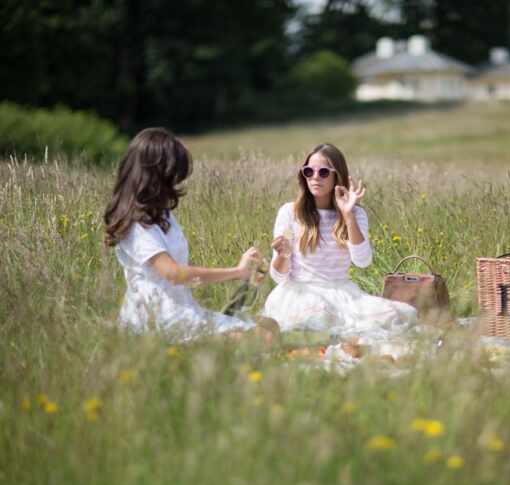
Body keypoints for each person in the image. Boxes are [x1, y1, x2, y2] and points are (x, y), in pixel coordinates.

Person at [104, 127, 277, 343]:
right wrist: (237, 272)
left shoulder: (162, 214)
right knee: (263, 338)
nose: (176, 184)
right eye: (173, 177)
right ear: (156, 177)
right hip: (158, 320)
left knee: (270, 326)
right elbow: (174, 274)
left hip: (182, 310)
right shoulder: (136, 226)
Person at [261, 143, 416, 341]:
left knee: (398, 315)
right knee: (318, 318)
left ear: (337, 176)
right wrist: (283, 255)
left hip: (342, 293)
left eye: (323, 172)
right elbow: (278, 277)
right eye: (309, 171)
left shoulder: (356, 213)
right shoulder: (290, 212)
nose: (315, 177)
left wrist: (348, 215)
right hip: (299, 292)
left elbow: (363, 261)